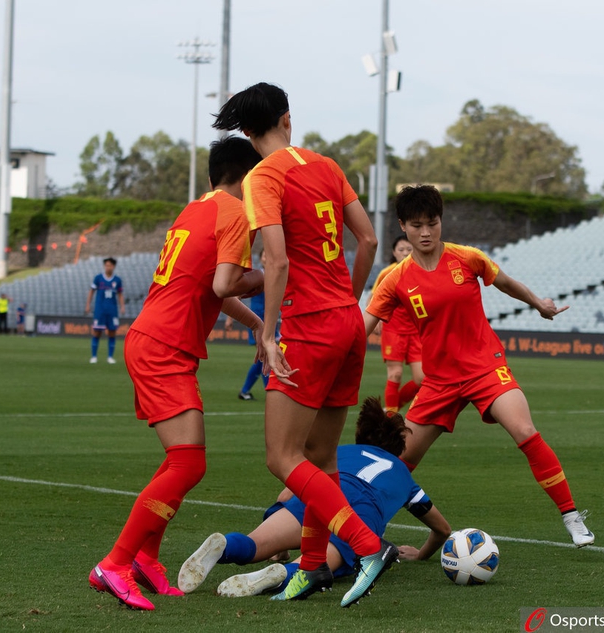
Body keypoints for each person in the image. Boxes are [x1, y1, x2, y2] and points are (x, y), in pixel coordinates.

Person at [213, 82, 398, 608]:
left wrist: (267, 332)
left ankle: (366, 547)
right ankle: (312, 567)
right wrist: (350, 300)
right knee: (321, 459)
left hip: (308, 327)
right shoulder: (327, 165)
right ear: (287, 119)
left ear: (247, 132)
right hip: (347, 323)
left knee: (282, 457)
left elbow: (276, 259)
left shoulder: (262, 177)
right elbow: (368, 240)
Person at [88, 136, 266, 611]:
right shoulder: (236, 213)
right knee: (189, 463)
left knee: (180, 462)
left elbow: (209, 286)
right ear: (249, 178)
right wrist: (274, 274)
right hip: (164, 345)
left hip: (156, 339)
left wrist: (255, 323)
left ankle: (146, 558)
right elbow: (227, 282)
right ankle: (115, 563)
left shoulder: (197, 209)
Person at [364, 185, 595, 548]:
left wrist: (539, 304)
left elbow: (506, 283)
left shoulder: (467, 258)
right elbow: (365, 325)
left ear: (441, 222)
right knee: (399, 460)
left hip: (485, 367)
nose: (425, 232)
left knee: (524, 430)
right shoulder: (394, 279)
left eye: (432, 223)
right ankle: (363, 533)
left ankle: (571, 517)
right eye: (416, 225)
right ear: (403, 226)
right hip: (439, 381)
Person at [177, 397, 451, 598]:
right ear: (399, 447)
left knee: (255, 543)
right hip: (360, 515)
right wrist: (421, 554)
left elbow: (288, 491)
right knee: (312, 566)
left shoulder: (339, 451)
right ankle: (284, 573)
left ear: (361, 435)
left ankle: (225, 546)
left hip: (321, 496)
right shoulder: (403, 475)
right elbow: (442, 530)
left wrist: (279, 532)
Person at [371, 235, 424, 413]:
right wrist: (375, 319)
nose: (405, 253)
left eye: (409, 249)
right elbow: (373, 298)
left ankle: (389, 410)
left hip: (416, 331)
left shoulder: (422, 271)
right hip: (393, 329)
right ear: (394, 253)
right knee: (395, 374)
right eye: (401, 250)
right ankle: (391, 417)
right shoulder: (387, 273)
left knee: (422, 380)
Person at [225, 249, 279, 401]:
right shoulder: (258, 275)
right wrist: (230, 318)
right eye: (264, 255)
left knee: (265, 356)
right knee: (264, 356)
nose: (267, 258)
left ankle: (246, 391)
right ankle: (268, 391)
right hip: (257, 319)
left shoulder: (276, 274)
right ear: (261, 259)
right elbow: (236, 295)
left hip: (271, 320)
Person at [85, 257, 125, 364]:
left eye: (110, 265)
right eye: (106, 265)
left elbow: (120, 294)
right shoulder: (98, 278)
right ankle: (94, 356)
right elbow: (91, 291)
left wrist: (122, 306)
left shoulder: (117, 280)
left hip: (112, 310)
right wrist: (88, 305)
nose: (108, 267)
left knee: (112, 332)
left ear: (113, 266)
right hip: (100, 310)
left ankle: (110, 357)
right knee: (96, 332)